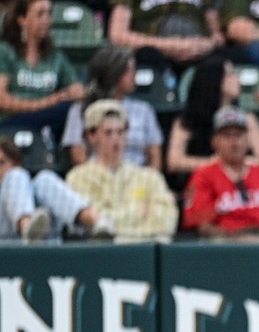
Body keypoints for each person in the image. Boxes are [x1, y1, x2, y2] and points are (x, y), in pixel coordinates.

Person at [65, 100, 178, 241]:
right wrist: (139, 213)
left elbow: (166, 221)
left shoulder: (150, 177)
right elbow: (91, 225)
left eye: (120, 132)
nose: (116, 139)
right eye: (108, 133)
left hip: (143, 255)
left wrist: (112, 223)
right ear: (91, 136)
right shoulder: (77, 178)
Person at [182, 106, 259, 240]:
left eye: (239, 135)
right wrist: (238, 240)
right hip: (226, 251)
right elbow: (203, 227)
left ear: (248, 141)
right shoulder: (203, 176)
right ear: (214, 142)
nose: (234, 143)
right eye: (227, 136)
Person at [61, 45, 165, 170]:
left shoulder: (144, 110)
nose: (135, 75)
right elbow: (79, 158)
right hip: (96, 180)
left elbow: (155, 158)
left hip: (138, 182)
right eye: (129, 70)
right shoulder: (80, 109)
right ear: (114, 73)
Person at [166, 55, 259, 176]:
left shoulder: (247, 119)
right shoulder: (187, 120)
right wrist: (213, 164)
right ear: (213, 80)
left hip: (239, 185)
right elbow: (173, 162)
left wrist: (233, 161)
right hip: (199, 184)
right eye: (230, 74)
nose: (237, 78)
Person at [0, 0, 84, 136]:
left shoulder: (55, 56)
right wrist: (45, 103)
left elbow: (78, 90)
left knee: (76, 108)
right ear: (22, 19)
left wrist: (73, 92)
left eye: (49, 13)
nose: (46, 19)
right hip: (11, 122)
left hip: (47, 122)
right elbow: (2, 100)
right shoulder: (5, 51)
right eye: (40, 14)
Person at [0, 135, 110, 242]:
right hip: (8, 248)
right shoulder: (16, 175)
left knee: (44, 179)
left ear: (17, 163)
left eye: (1, 163)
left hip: (46, 248)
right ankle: (28, 228)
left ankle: (97, 222)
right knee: (15, 176)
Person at [106, 0, 223, 73]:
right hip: (155, 54)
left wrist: (207, 44)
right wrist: (168, 45)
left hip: (199, 52)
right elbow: (117, 35)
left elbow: (217, 35)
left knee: (222, 61)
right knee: (146, 56)